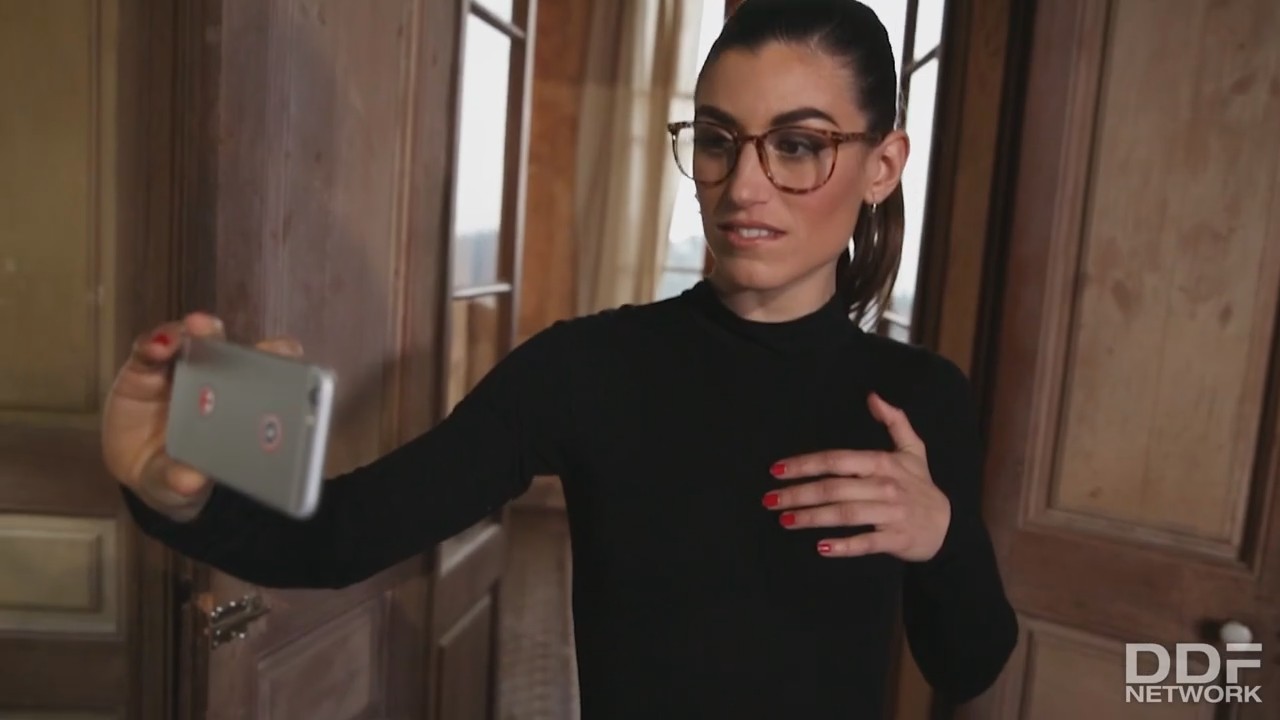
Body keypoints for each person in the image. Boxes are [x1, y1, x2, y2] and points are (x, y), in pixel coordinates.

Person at [102, 0, 1017, 716]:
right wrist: (174, 492)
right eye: (716, 140)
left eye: (798, 146)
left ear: (882, 166)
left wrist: (942, 536)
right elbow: (343, 535)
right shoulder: (589, 368)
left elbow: (968, 664)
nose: (743, 186)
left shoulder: (918, 401)